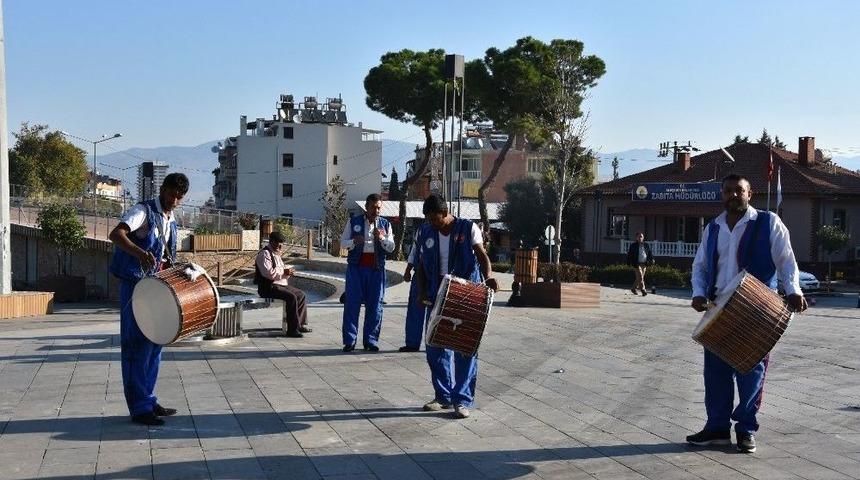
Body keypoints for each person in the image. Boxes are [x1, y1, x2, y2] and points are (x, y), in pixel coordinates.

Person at [687, 174, 807, 453]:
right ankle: (717, 428)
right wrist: (698, 293)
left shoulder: (768, 222)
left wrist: (793, 289)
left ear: (749, 194)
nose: (733, 195)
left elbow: (786, 261)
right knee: (715, 373)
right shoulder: (713, 227)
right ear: (722, 194)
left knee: (751, 371)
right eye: (728, 191)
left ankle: (746, 429)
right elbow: (701, 266)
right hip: (719, 309)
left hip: (756, 309)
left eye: (738, 190)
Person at [108, 173, 189, 426]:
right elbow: (116, 234)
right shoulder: (141, 211)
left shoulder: (171, 219)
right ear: (163, 189)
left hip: (155, 288)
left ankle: (148, 398)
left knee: (155, 343)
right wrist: (140, 253)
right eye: (171, 194)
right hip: (135, 287)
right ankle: (139, 407)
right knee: (135, 345)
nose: (174, 200)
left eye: (179, 197)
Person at [416, 194, 498, 419]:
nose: (433, 223)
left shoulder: (467, 228)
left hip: (464, 294)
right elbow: (422, 265)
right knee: (434, 347)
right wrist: (422, 291)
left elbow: (482, 256)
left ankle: (461, 400)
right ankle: (442, 396)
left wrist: (488, 277)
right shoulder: (425, 232)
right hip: (436, 294)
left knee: (465, 349)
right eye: (429, 219)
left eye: (436, 219)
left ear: (446, 213)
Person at [340, 194, 394, 352]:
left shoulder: (385, 224)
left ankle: (371, 340)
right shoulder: (353, 221)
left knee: (375, 305)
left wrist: (382, 238)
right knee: (352, 304)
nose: (376, 210)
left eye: (378, 207)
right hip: (356, 268)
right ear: (367, 207)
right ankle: (349, 341)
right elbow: (343, 243)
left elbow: (391, 247)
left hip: (376, 269)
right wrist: (353, 242)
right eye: (373, 207)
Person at [255, 231, 310, 338]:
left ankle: (300, 324)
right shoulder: (264, 254)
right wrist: (284, 273)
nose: (280, 246)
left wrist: (288, 273)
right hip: (268, 287)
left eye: (281, 244)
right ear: (271, 241)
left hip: (280, 285)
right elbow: (268, 273)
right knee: (291, 297)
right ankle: (292, 330)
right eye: (278, 243)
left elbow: (281, 273)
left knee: (301, 295)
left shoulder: (277, 254)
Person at [399, 233, 425, 352]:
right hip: (419, 274)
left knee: (437, 312)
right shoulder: (421, 231)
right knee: (415, 309)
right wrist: (408, 269)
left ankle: (436, 344)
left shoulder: (449, 230)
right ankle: (412, 343)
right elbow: (414, 252)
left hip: (438, 276)